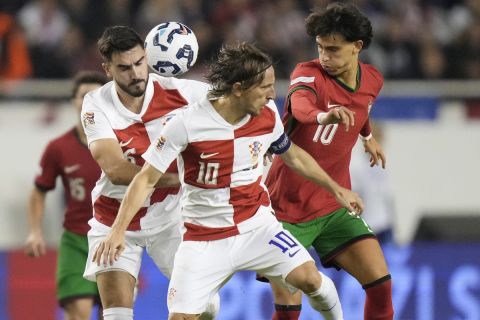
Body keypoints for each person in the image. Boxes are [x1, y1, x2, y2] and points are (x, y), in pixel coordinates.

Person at [92, 42, 366, 320]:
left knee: (310, 279)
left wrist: (337, 189)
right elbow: (144, 180)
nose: (272, 94)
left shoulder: (268, 115)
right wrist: (118, 230)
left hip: (257, 227)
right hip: (203, 239)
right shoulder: (185, 123)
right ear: (238, 88)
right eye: (264, 87)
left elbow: (293, 155)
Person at [263, 3, 394, 320]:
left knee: (381, 285)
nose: (325, 57)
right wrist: (324, 115)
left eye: (333, 50)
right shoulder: (307, 74)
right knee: (289, 308)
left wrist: (366, 136)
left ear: (357, 47)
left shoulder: (372, 79)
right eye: (320, 48)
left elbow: (361, 107)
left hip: (334, 205)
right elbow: (301, 106)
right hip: (286, 209)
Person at [80, 26, 218, 320]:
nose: (136, 74)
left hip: (171, 217)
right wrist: (182, 178)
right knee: (116, 314)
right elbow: (116, 170)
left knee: (206, 308)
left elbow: (242, 102)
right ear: (107, 69)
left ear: (147, 57)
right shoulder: (95, 105)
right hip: (116, 218)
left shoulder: (183, 92)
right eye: (124, 68)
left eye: (140, 63)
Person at [25, 71, 107, 320]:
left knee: (115, 313)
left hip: (113, 239)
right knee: (79, 312)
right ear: (73, 101)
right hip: (76, 240)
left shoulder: (122, 143)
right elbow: (39, 191)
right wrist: (35, 231)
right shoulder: (58, 148)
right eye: (84, 96)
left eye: (96, 95)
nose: (90, 101)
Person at [350, 121, 394, 244]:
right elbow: (353, 195)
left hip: (384, 223)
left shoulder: (383, 164)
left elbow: (388, 195)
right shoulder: (356, 165)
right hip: (367, 223)